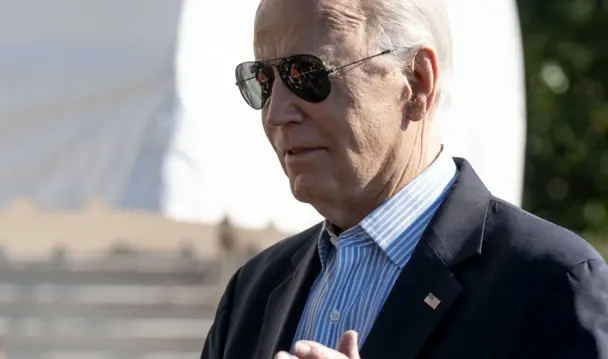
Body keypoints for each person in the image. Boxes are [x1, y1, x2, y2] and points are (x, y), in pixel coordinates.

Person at [201, 0, 608, 358]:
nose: (275, 113)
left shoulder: (551, 284)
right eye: (264, 81)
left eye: (306, 74)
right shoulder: (252, 294)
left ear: (416, 81)